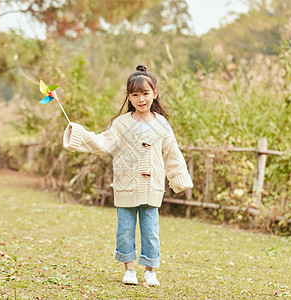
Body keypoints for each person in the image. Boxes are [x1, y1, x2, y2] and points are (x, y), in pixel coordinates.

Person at [63, 65, 193, 286]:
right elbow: (103, 143)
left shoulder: (162, 124)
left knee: (151, 231)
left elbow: (172, 154)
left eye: (145, 93)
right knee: (124, 230)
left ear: (155, 93)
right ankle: (129, 269)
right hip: (125, 186)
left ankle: (150, 270)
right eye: (135, 94)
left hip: (152, 186)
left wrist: (179, 178)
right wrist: (80, 133)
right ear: (128, 96)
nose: (140, 99)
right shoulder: (121, 124)